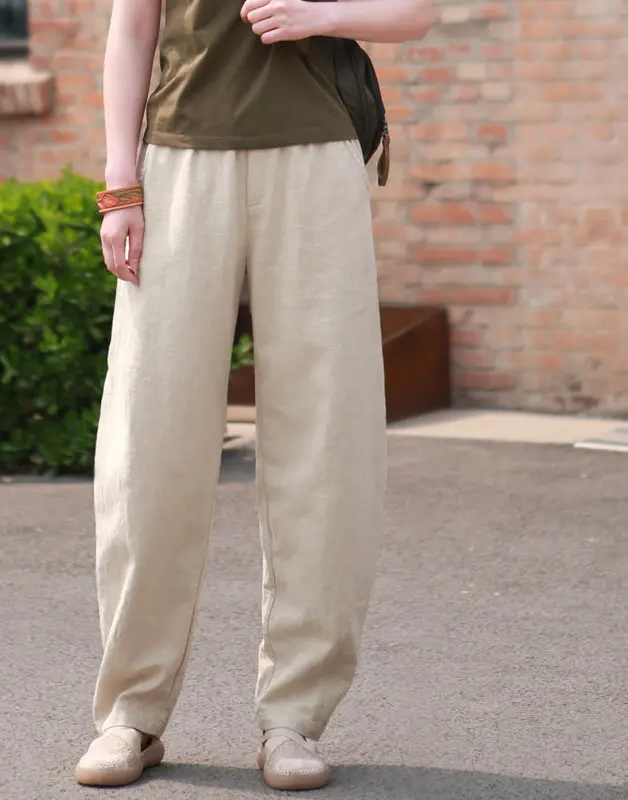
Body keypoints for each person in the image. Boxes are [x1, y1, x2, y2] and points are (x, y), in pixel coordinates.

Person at [76, 0, 435, 791]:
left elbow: (416, 12)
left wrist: (320, 14)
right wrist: (119, 183)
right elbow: (132, 30)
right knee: (148, 439)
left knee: (325, 437)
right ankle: (130, 713)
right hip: (178, 163)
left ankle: (294, 718)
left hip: (317, 159)